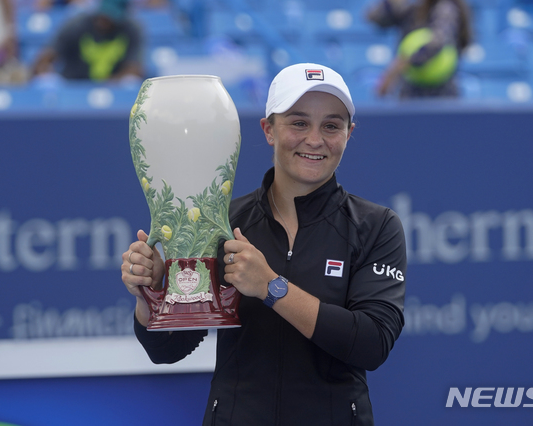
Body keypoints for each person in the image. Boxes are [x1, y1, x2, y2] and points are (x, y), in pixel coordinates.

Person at [121, 63, 407, 425]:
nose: (315, 139)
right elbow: (168, 351)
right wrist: (153, 296)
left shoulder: (376, 226)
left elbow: (371, 343)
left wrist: (272, 288)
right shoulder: (221, 222)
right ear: (269, 130)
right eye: (299, 122)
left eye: (331, 125)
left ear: (349, 134)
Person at [366, 0, 472, 98]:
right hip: (410, 90)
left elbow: (438, 41)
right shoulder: (414, 8)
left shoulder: (445, 7)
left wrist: (400, 66)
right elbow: (375, 18)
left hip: (440, 92)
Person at [32, 0, 143, 82]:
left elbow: (134, 69)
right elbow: (46, 57)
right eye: (103, 14)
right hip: (72, 85)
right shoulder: (77, 24)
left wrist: (107, 85)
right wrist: (45, 70)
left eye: (110, 17)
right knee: (47, 83)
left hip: (114, 86)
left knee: (130, 82)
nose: (104, 20)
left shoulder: (131, 29)